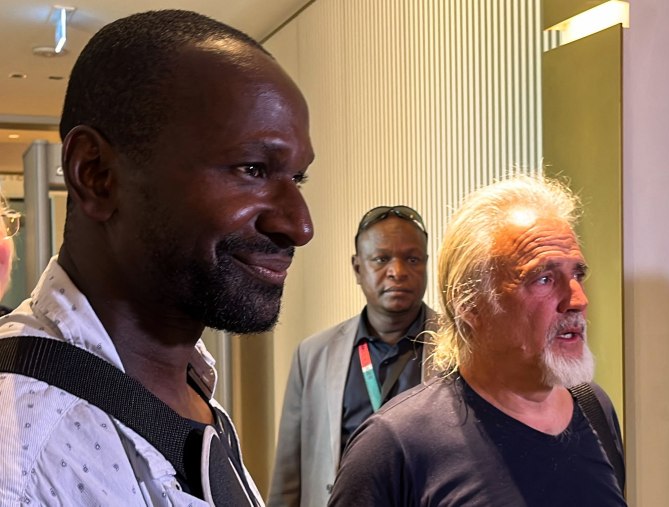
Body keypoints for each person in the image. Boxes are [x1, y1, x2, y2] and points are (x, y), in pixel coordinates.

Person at [0, 9, 314, 506]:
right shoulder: (21, 453)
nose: (299, 226)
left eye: (297, 179)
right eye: (253, 169)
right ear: (96, 174)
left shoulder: (186, 386)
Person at [327, 176, 627, 506]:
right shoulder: (392, 446)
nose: (578, 299)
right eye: (543, 278)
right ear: (470, 306)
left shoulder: (594, 406)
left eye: (577, 275)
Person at [269, 205, 438, 507]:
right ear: (358, 268)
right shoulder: (313, 355)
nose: (397, 272)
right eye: (381, 259)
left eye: (412, 259)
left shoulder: (462, 349)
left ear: (426, 265)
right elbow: (288, 477)